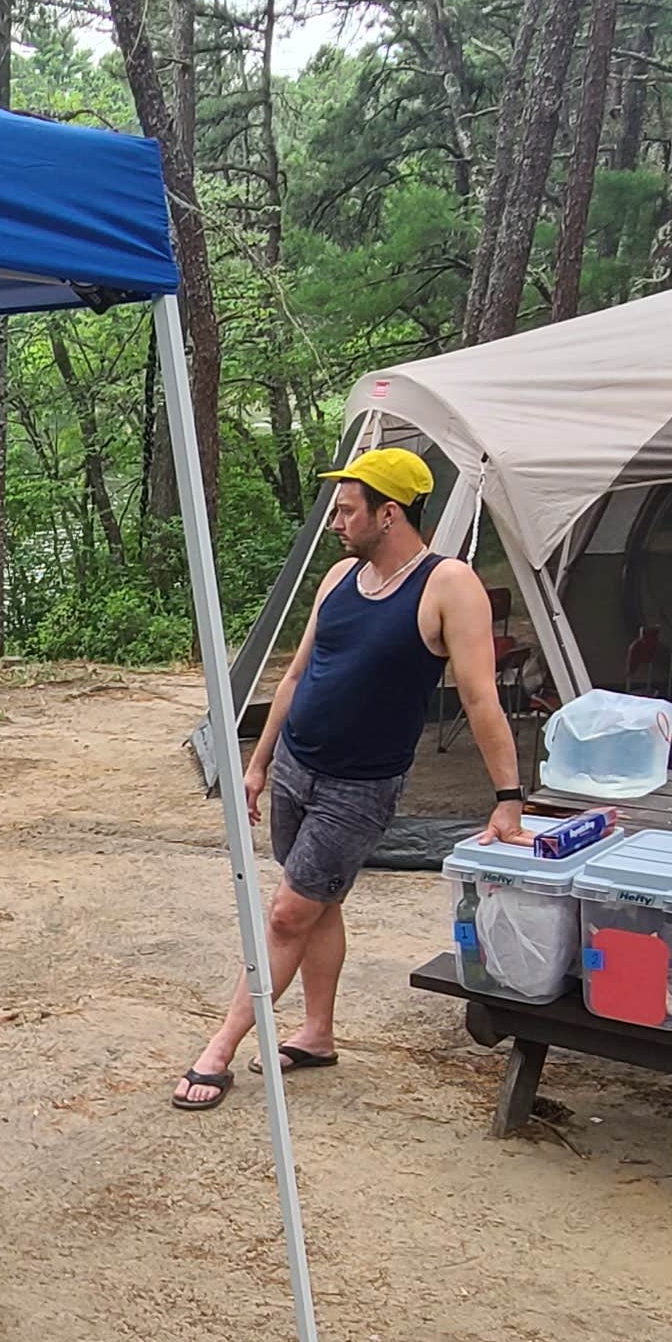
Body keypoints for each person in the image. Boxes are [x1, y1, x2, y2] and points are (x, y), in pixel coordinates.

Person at [174, 445, 530, 1110]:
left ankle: (219, 1048)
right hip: (298, 770)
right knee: (319, 903)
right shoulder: (339, 577)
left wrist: (508, 799)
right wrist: (257, 763)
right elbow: (299, 674)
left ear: (388, 513)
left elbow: (480, 699)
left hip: (359, 788)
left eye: (346, 511)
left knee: (287, 913)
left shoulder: (447, 584)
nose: (336, 522)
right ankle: (317, 1033)